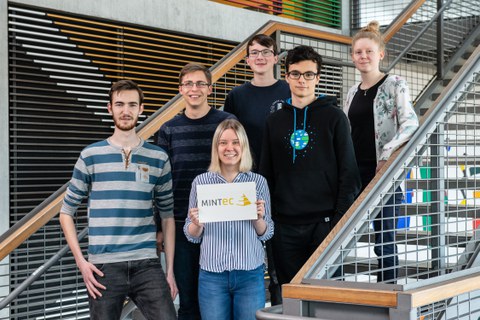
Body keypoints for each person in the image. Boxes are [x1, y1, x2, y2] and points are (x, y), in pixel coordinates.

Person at [59, 80, 177, 320]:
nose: (126, 111)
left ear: (141, 108)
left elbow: (167, 216)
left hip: (147, 264)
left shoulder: (158, 157)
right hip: (103, 267)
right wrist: (82, 262)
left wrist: (170, 271)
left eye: (132, 104)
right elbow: (66, 212)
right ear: (109, 108)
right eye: (120, 104)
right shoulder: (90, 155)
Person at [259, 45, 361, 286]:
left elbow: (349, 174)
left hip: (324, 225)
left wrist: (337, 224)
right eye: (295, 73)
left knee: (327, 297)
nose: (301, 80)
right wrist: (270, 221)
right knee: (289, 295)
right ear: (286, 76)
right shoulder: (274, 121)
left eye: (308, 74)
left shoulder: (335, 117)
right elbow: (265, 174)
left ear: (318, 77)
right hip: (284, 228)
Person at [155, 63, 235, 320]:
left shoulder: (227, 123)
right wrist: (159, 226)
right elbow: (161, 182)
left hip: (223, 221)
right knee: (188, 301)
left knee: (221, 298)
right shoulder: (168, 129)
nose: (194, 89)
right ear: (180, 90)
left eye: (200, 83)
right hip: (180, 223)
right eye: (188, 84)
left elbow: (240, 167)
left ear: (210, 89)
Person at [343, 21, 419, 283]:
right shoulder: (352, 92)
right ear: (352, 56)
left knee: (384, 239)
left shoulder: (395, 83)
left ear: (381, 54)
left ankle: (386, 293)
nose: (363, 56)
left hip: (383, 173)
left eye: (368, 51)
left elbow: (411, 122)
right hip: (354, 172)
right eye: (358, 52)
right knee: (341, 235)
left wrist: (387, 154)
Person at [223, 33, 289, 305]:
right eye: (254, 53)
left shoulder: (288, 90)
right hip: (246, 183)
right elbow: (229, 138)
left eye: (266, 52)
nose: (260, 57)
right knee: (247, 248)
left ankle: (280, 307)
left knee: (279, 256)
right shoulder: (237, 96)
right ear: (247, 60)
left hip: (283, 181)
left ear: (275, 58)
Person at [185, 119, 274, 320]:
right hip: (212, 276)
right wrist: (196, 225)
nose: (229, 148)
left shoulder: (258, 182)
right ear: (216, 147)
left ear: (243, 146)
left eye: (235, 142)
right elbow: (191, 236)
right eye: (223, 142)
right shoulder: (201, 182)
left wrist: (258, 218)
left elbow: (267, 232)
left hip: (250, 274)